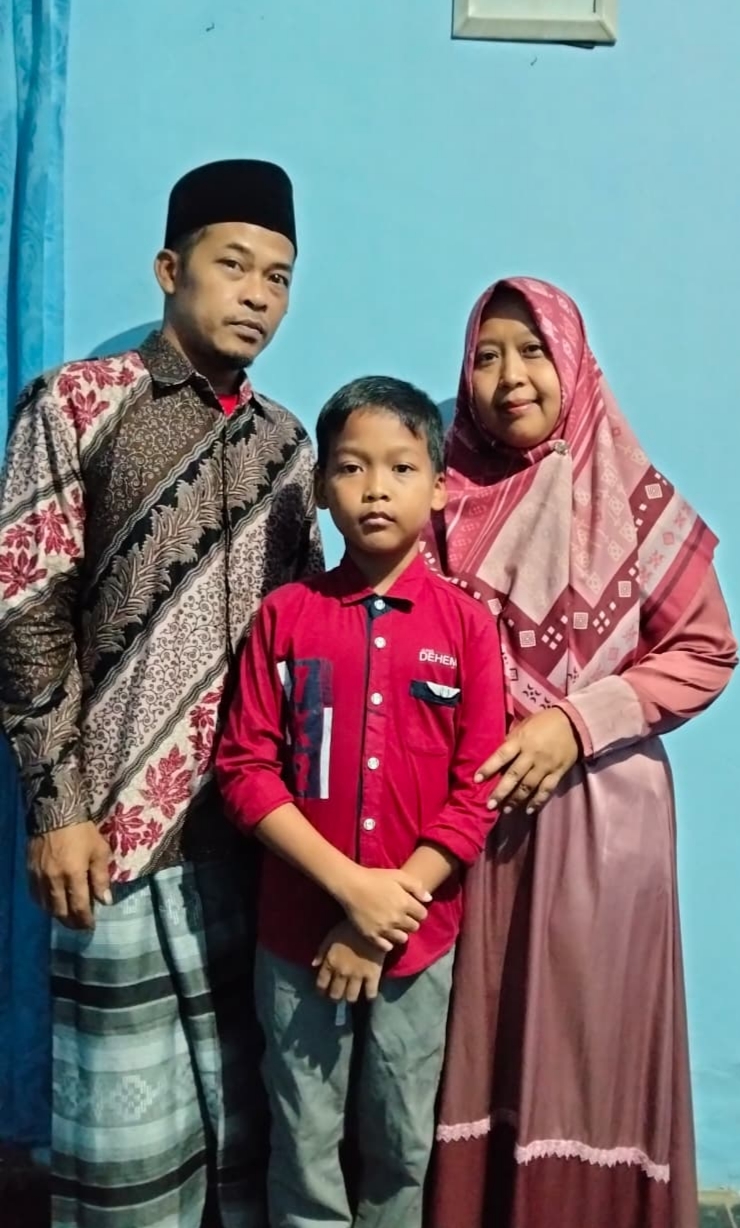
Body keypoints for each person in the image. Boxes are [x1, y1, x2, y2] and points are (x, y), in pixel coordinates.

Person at [0, 159, 323, 1228]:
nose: (257, 296)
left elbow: (302, 631)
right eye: (234, 266)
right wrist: (58, 810)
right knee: (127, 1155)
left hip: (251, 834)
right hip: (115, 838)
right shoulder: (75, 406)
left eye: (278, 278)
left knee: (250, 1134)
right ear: (169, 269)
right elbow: (24, 611)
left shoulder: (287, 446)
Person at [423, 276, 737, 1228]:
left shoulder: (634, 499)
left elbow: (707, 649)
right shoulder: (437, 495)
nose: (510, 377)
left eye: (534, 352)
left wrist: (574, 722)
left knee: (588, 1062)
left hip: (602, 825)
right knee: (476, 1051)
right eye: (487, 357)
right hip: (476, 831)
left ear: (575, 363)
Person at [215, 376, 507, 1228]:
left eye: (401, 467)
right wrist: (352, 892)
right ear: (319, 489)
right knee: (304, 1139)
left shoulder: (466, 628)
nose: (376, 488)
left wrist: (383, 916)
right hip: (296, 935)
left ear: (439, 487)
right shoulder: (286, 618)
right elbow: (244, 770)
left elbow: (477, 791)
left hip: (420, 943)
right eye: (351, 467)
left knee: (400, 1141)